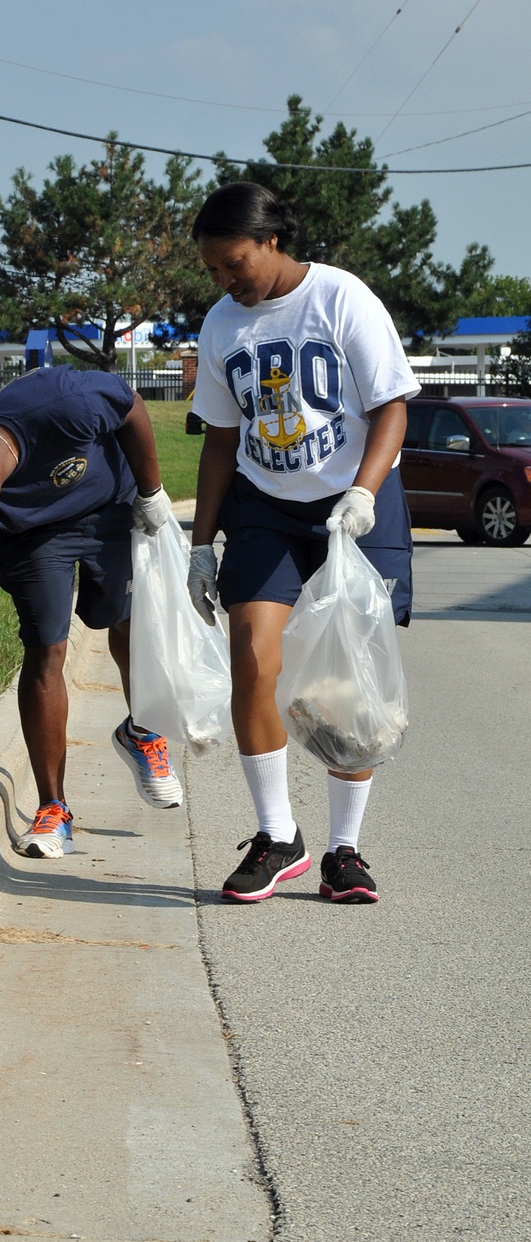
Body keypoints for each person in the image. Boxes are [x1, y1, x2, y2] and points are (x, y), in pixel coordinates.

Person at [187, 182, 419, 904]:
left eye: (235, 264)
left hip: (358, 503)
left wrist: (363, 493)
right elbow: (222, 440)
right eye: (214, 271)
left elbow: (391, 407)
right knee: (252, 656)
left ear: (272, 242)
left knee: (347, 679)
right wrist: (200, 545)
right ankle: (278, 834)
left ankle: (344, 852)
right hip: (266, 505)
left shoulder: (341, 299)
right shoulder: (223, 324)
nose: (226, 281)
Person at [0, 364, 183, 858]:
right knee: (46, 645)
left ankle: (141, 730)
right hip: (28, 539)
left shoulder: (63, 402)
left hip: (105, 508)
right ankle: (54, 808)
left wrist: (152, 490)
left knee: (125, 619)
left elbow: (130, 405)